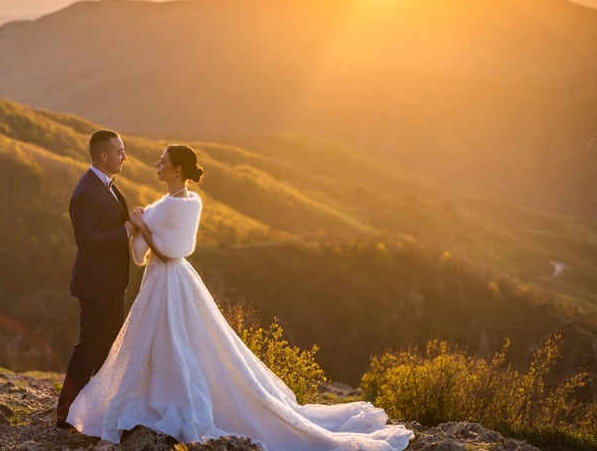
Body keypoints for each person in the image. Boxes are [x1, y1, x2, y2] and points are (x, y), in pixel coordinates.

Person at [66, 144, 413, 451]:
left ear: (177, 170)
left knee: (179, 342)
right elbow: (140, 255)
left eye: (162, 161)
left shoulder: (187, 203)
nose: (156, 165)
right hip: (155, 282)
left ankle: (175, 402)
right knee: (153, 343)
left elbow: (174, 251)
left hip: (172, 281)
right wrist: (140, 228)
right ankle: (148, 397)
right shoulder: (164, 202)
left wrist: (140, 227)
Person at [55, 129, 135, 430]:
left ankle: (96, 411)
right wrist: (125, 232)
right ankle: (65, 413)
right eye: (119, 151)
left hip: (113, 284)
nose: (124, 157)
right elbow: (86, 238)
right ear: (103, 155)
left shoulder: (108, 186)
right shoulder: (86, 190)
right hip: (96, 285)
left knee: (107, 349)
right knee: (89, 347)